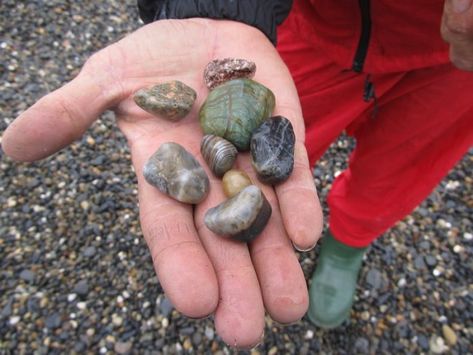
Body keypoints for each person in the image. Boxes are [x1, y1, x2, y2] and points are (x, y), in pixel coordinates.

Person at [2, 0, 472, 349]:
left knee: (401, 171)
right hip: (315, 26)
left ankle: (349, 243)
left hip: (456, 66)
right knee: (300, 150)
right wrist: (210, 7)